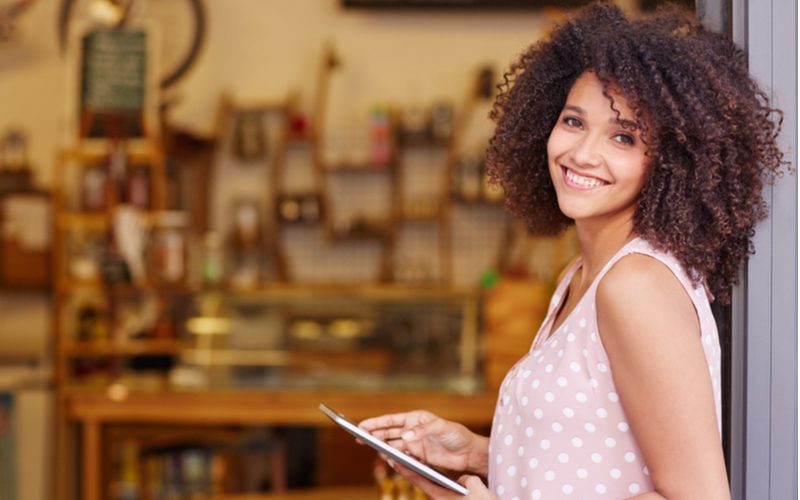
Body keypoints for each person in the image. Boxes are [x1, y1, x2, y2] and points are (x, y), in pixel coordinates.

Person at [358, 2, 787, 499]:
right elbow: (589, 462)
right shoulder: (580, 276)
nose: (582, 153)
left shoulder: (637, 288)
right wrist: (476, 454)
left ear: (671, 162)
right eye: (574, 121)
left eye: (623, 137)